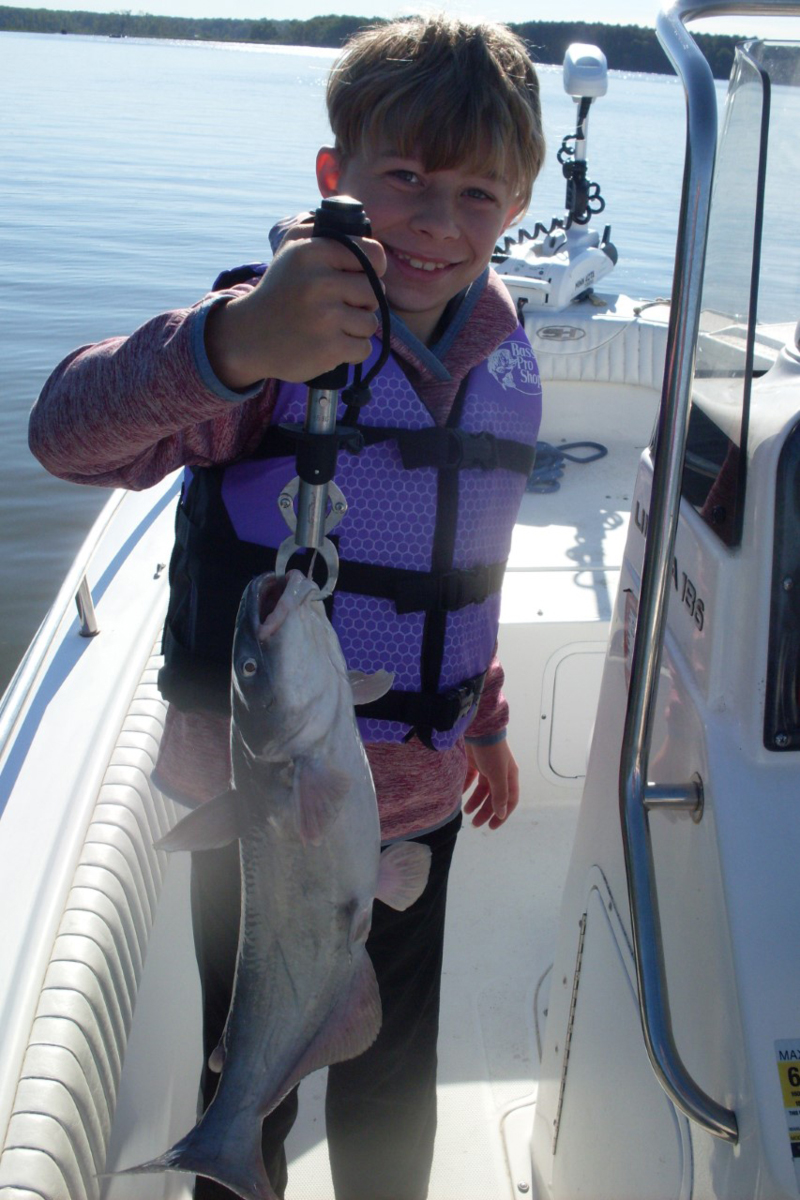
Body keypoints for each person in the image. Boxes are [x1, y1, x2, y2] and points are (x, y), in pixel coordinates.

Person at [29, 14, 545, 1199]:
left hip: (415, 802)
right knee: (249, 1061)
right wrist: (233, 343)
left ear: (514, 207)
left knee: (388, 1072)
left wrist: (486, 716)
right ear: (336, 177)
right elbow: (65, 435)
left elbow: (467, 563)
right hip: (252, 813)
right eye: (404, 177)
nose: (432, 220)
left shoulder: (503, 359)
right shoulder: (275, 339)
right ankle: (231, 1164)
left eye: (474, 194)